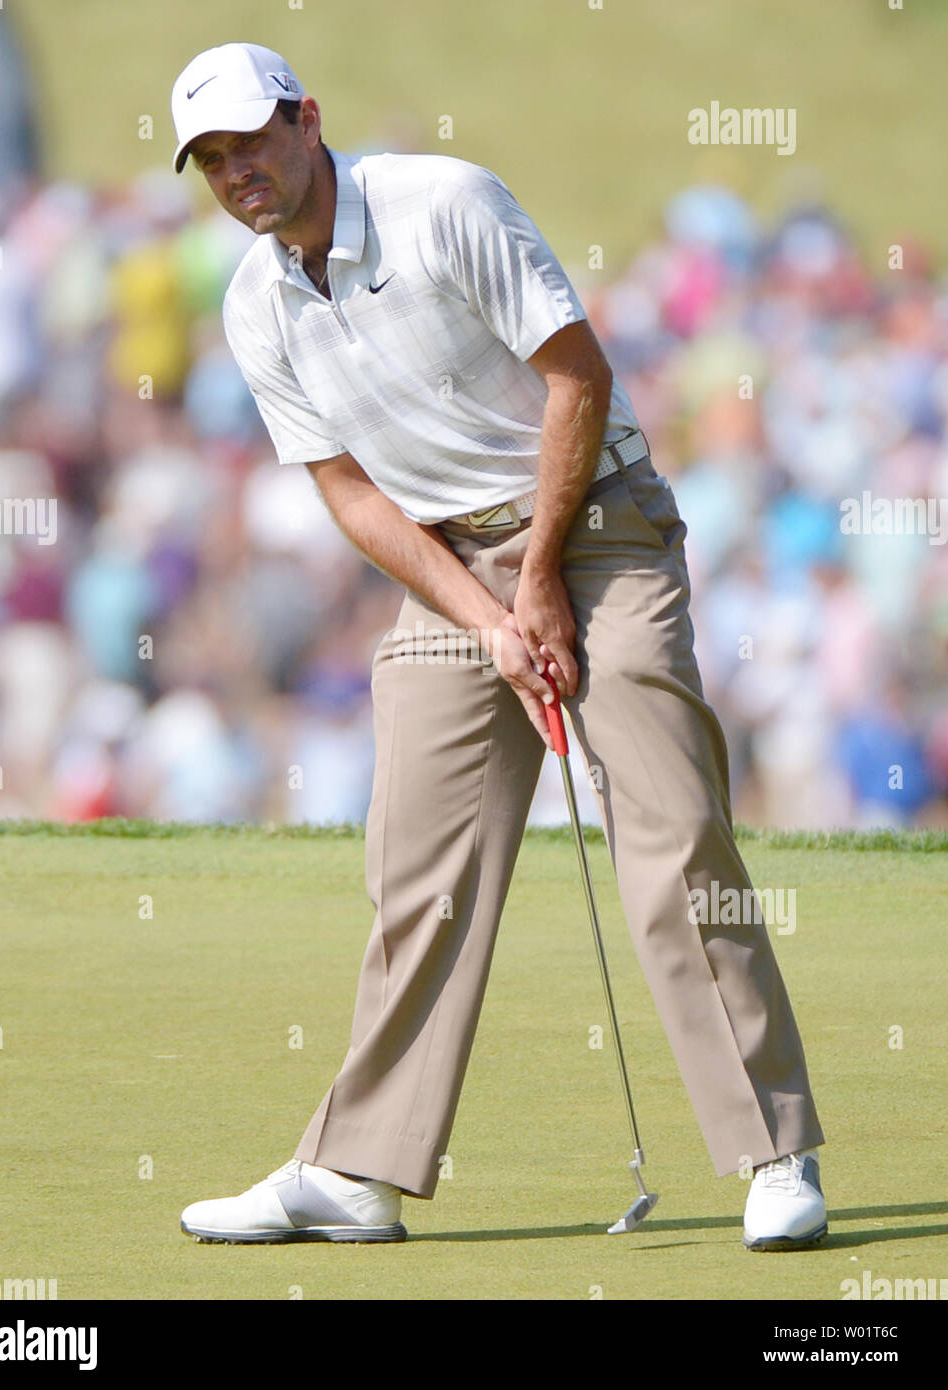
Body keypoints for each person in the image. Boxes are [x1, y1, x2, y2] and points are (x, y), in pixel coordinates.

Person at [169, 42, 827, 1252]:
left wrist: (539, 582)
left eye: (250, 140)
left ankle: (775, 1152)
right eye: (209, 159)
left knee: (674, 835)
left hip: (600, 526)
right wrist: (490, 618)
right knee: (416, 862)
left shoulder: (445, 202)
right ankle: (358, 1171)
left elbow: (577, 378)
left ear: (308, 119)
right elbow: (352, 493)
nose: (236, 172)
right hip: (456, 573)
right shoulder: (254, 300)